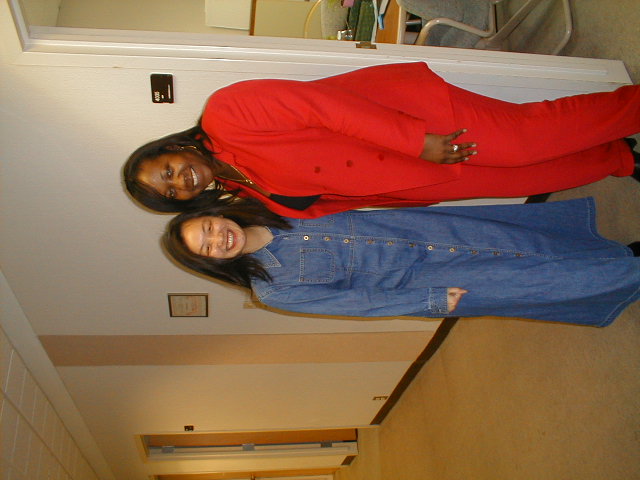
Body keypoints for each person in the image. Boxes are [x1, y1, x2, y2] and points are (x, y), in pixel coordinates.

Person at [124, 62, 640, 218]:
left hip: (413, 124)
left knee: (528, 138)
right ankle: (621, 159)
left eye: (167, 171)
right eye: (171, 192)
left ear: (172, 148)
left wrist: (418, 142)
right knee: (528, 178)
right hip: (415, 179)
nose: (180, 181)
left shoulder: (226, 113)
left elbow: (324, 107)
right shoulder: (243, 191)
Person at [162, 197, 640, 326]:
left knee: (527, 245)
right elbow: (357, 304)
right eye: (207, 248)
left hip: (420, 230)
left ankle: (618, 258)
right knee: (534, 280)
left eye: (208, 228)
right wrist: (431, 300)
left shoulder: (274, 205)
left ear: (214, 214)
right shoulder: (273, 289)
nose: (218, 239)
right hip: (423, 277)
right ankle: (629, 270)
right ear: (212, 263)